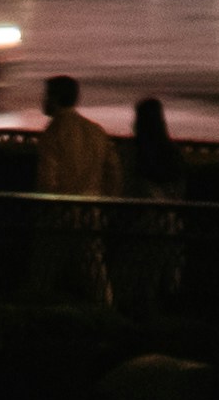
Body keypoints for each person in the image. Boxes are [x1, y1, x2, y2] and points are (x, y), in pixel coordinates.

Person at [27, 73, 116, 305]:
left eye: (46, 96)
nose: (43, 101)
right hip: (90, 212)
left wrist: (43, 209)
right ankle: (107, 313)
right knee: (95, 273)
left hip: (60, 215)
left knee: (43, 273)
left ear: (55, 98)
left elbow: (47, 180)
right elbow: (113, 173)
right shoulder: (96, 131)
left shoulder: (53, 133)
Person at [115, 89, 187, 313]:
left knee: (130, 281)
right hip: (168, 227)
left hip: (138, 225)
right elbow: (180, 192)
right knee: (156, 282)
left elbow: (123, 189)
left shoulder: (131, 152)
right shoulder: (173, 153)